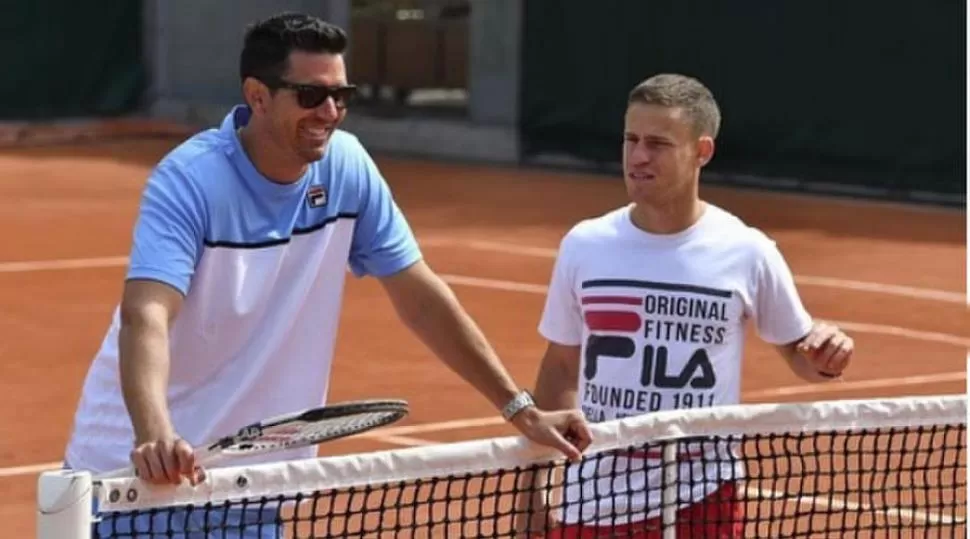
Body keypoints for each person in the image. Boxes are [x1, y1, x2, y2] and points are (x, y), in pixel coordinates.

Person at [61, 12, 591, 537]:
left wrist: (519, 408)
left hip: (249, 486)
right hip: (132, 484)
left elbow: (420, 296)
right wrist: (155, 434)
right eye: (312, 96)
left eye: (342, 95)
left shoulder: (347, 167)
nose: (331, 111)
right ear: (258, 95)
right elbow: (146, 314)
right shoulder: (190, 180)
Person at [513, 73, 855, 538]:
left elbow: (801, 354)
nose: (637, 157)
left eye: (657, 143)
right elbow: (560, 367)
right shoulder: (584, 245)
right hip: (592, 500)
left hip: (702, 500)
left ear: (702, 151)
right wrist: (533, 493)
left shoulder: (747, 250)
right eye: (631, 139)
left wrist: (826, 355)